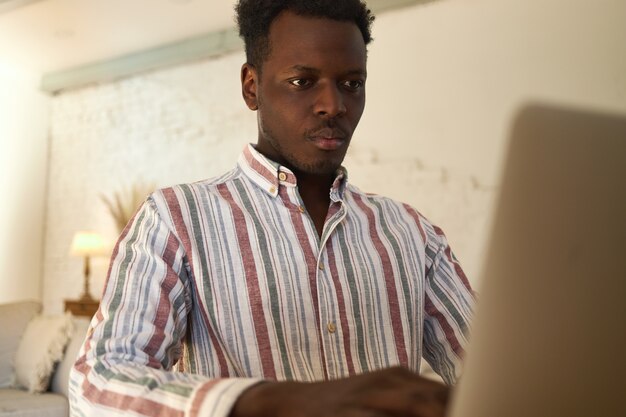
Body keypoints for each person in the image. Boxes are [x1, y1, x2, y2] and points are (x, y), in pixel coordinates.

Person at [69, 1, 475, 416]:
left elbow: (493, 377)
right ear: (251, 87)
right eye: (303, 81)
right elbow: (98, 382)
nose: (333, 105)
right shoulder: (175, 219)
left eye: (352, 83)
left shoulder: (413, 233)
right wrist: (277, 400)